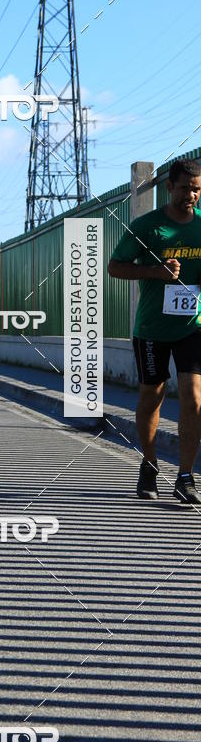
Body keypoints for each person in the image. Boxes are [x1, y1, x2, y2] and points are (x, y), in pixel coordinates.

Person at [108, 158, 201, 504]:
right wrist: (155, 271)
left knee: (194, 399)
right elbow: (114, 267)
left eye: (196, 189)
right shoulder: (147, 226)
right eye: (184, 188)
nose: (190, 195)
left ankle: (186, 476)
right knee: (152, 396)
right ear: (169, 187)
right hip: (152, 328)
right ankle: (149, 464)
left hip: (193, 326)